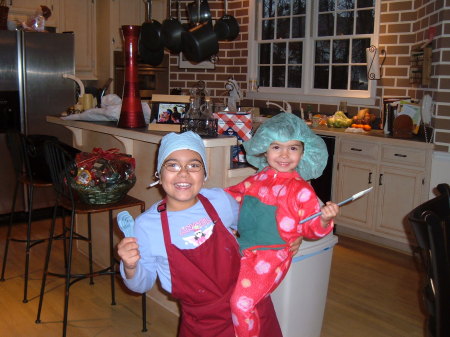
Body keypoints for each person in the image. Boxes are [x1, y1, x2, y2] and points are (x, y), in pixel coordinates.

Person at [117, 131, 301, 336]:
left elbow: (254, 228)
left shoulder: (220, 201)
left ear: (204, 174)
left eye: (194, 165)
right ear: (159, 174)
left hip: (250, 305)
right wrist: (131, 266)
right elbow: (141, 285)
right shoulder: (146, 226)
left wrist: (289, 235)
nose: (184, 173)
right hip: (204, 323)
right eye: (173, 165)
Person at [225, 112, 340, 337]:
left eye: (293, 148)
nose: (284, 155)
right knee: (228, 293)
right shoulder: (257, 179)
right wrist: (205, 198)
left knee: (241, 303)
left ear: (304, 152)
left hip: (272, 256)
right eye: (276, 147)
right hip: (244, 247)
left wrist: (324, 218)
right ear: (264, 149)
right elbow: (232, 197)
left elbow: (311, 228)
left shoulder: (301, 190)